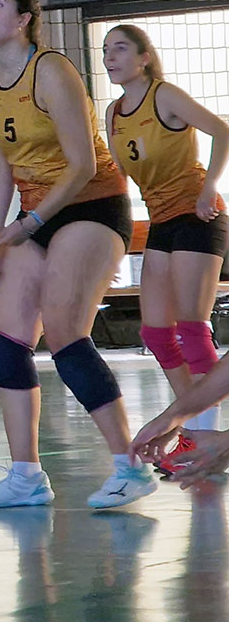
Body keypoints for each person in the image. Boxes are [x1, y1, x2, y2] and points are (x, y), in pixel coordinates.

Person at [0, 0, 155, 511]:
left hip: (91, 206)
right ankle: (26, 476)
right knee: (4, 338)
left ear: (24, 18)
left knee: (65, 327)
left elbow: (84, 164)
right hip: (32, 213)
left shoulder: (51, 69)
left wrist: (27, 225)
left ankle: (130, 467)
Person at [102, 24, 227, 465]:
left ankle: (201, 438)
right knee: (156, 332)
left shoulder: (164, 95)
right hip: (159, 221)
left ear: (144, 58)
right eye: (105, 51)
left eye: (120, 48)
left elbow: (222, 131)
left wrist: (209, 185)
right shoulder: (113, 114)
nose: (109, 57)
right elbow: (119, 175)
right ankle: (193, 422)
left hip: (197, 215)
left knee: (192, 326)